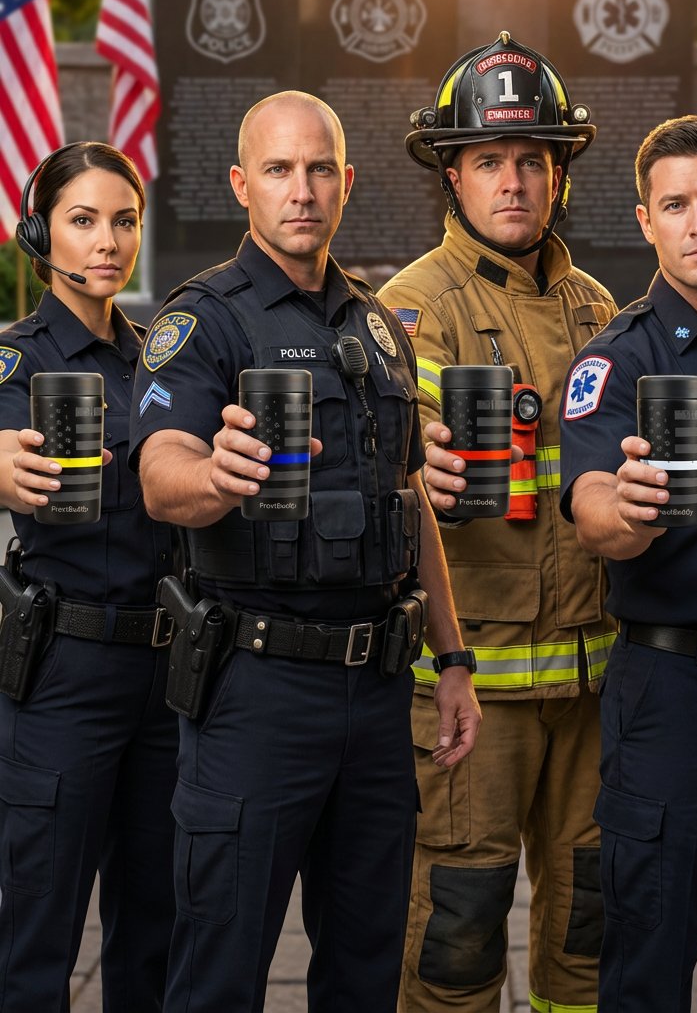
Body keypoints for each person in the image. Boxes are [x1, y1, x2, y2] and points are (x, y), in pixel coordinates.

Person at [128, 90, 481, 1013]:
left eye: (321, 169)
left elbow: (410, 497)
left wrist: (452, 660)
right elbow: (160, 471)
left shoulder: (375, 323)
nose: (303, 189)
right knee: (219, 973)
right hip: (256, 694)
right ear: (242, 184)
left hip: (377, 697)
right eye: (280, 169)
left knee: (366, 970)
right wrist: (218, 475)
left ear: (346, 182)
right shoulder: (203, 319)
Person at [378, 31, 618, 1013]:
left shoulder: (597, 306)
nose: (513, 181)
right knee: (458, 937)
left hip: (594, 682)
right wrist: (417, 471)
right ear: (452, 175)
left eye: (531, 159)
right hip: (473, 694)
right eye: (488, 161)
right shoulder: (412, 308)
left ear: (559, 172)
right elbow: (388, 468)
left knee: (590, 930)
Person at [559, 114, 697, 1013]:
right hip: (678, 697)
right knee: (649, 966)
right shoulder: (617, 359)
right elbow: (591, 510)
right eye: (676, 205)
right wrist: (631, 509)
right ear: (646, 221)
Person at [0, 142, 178, 1012]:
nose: (107, 241)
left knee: (156, 931)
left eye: (123, 221)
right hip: (65, 674)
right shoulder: (17, 359)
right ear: (40, 235)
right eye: (82, 220)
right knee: (39, 933)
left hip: (172, 677)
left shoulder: (164, 360)